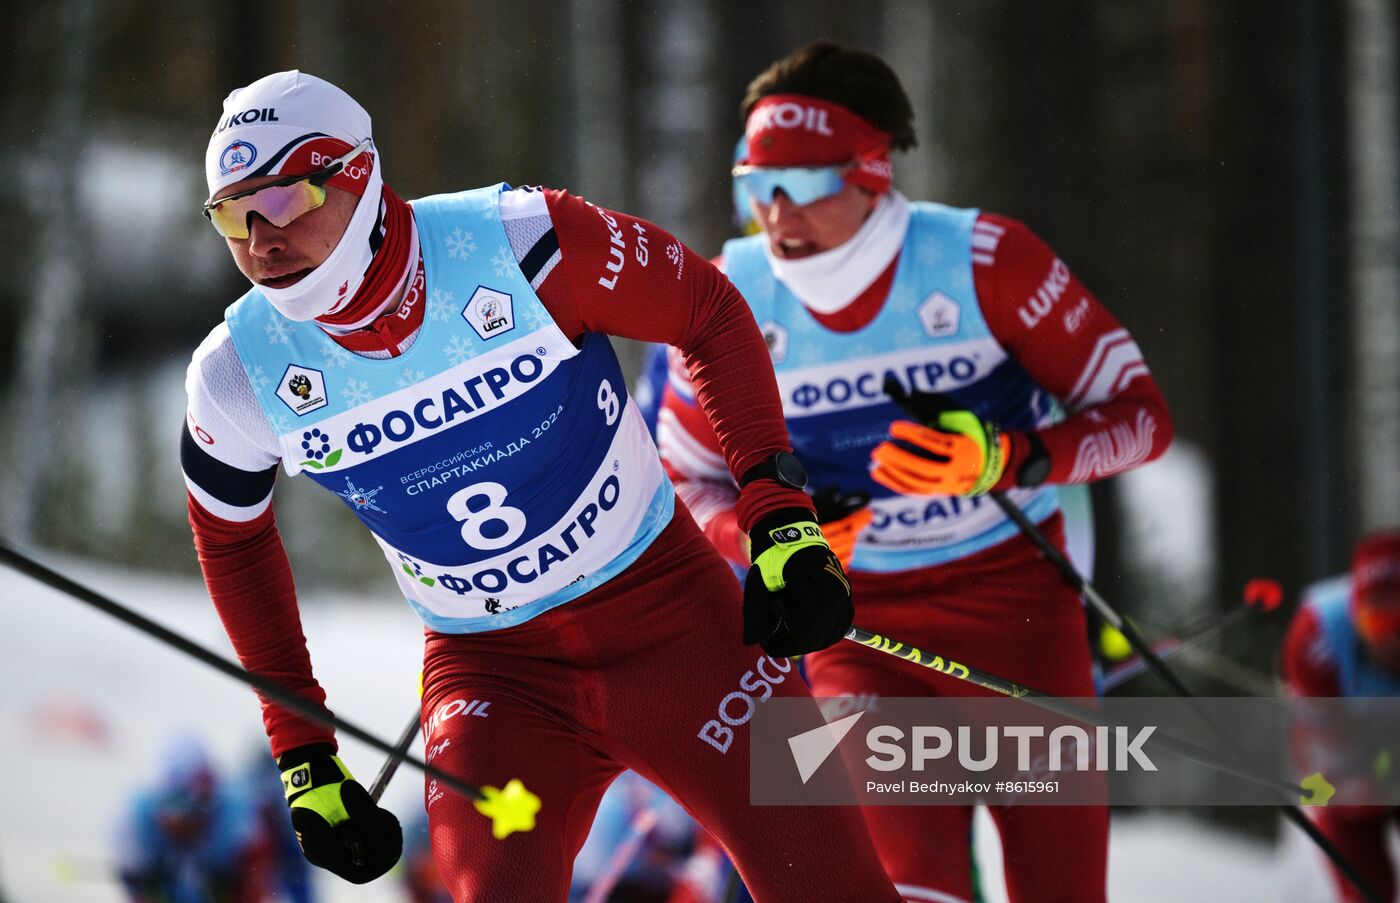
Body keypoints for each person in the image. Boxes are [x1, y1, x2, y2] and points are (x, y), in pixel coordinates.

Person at [181, 70, 900, 902]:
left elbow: (707, 311)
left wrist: (779, 519)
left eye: (284, 199)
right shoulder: (237, 374)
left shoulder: (522, 241)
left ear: (358, 175)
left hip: (680, 625)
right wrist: (303, 750)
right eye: (233, 213)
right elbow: (232, 538)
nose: (261, 237)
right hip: (491, 680)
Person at [656, 43, 1174, 903]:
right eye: (755, 185)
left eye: (805, 184)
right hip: (861, 632)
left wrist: (1008, 457)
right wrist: (773, 534)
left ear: (872, 171)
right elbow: (684, 482)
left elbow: (1142, 417)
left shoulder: (984, 261)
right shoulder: (727, 295)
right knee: (904, 883)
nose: (777, 212)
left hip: (1017, 611)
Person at [1282, 529, 1400, 902]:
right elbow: (1319, 766)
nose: (1390, 641)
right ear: (1354, 614)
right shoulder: (1318, 635)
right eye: (1377, 623)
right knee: (1366, 890)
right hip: (1351, 775)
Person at [115, 737, 260, 903]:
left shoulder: (236, 818)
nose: (180, 819)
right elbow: (132, 880)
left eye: (193, 810)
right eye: (172, 805)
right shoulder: (136, 823)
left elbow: (256, 882)